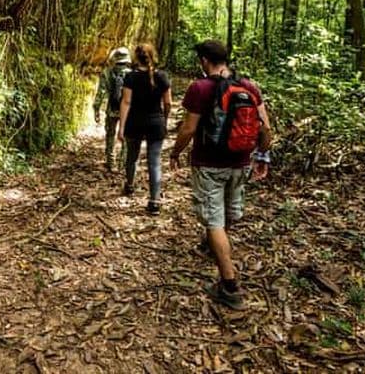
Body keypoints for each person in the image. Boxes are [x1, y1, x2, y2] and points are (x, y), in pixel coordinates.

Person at [169, 40, 271, 310]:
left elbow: (189, 129)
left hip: (209, 163)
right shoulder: (249, 86)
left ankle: (229, 286)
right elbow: (266, 127)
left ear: (204, 60)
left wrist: (175, 153)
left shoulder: (200, 88)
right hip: (241, 162)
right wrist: (262, 156)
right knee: (226, 214)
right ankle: (212, 244)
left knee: (213, 220)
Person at [117, 43, 172, 214]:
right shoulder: (162, 76)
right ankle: (154, 201)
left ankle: (130, 185)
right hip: (156, 123)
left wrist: (121, 126)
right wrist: (165, 119)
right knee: (154, 163)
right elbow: (168, 103)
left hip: (135, 123)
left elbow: (126, 102)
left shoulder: (131, 77)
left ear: (136, 58)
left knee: (131, 157)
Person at [94, 47, 132, 171]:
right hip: (127, 111)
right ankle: (123, 163)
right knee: (126, 135)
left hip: (112, 108)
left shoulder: (107, 72)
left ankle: (111, 162)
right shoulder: (132, 74)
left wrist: (96, 109)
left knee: (110, 134)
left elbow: (101, 92)